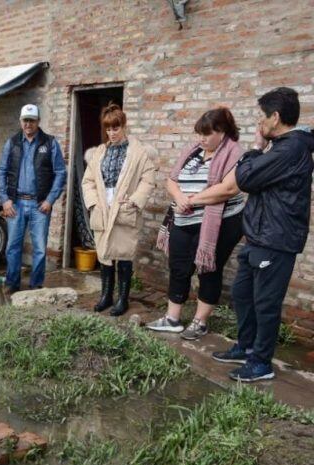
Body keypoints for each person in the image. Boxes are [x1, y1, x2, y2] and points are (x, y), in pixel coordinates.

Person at [212, 87, 314, 382]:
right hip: (259, 236)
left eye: (262, 117)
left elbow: (245, 177)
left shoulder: (289, 149)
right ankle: (246, 347)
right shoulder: (283, 147)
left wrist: (255, 148)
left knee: (266, 304)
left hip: (276, 240)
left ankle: (261, 363)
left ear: (276, 117)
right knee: (243, 295)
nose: (259, 123)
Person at [147, 108, 245, 337]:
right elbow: (171, 180)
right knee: (179, 267)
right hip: (183, 219)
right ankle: (172, 318)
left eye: (207, 134)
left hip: (219, 223)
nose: (201, 138)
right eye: (199, 133)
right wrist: (179, 198)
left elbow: (229, 188)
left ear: (222, 132)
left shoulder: (235, 153)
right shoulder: (193, 151)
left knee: (208, 269)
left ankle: (199, 322)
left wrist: (191, 199)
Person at [82, 103, 157, 316]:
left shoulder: (137, 152)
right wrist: (94, 203)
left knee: (123, 255)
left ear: (123, 126)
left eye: (115, 128)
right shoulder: (99, 152)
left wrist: (134, 200)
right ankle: (106, 296)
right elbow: (88, 181)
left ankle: (123, 298)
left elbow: (148, 179)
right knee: (105, 254)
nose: (111, 133)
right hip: (103, 208)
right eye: (108, 129)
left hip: (124, 208)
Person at [0, 104, 66, 293]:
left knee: (40, 249)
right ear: (21, 121)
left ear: (38, 121)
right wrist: (5, 199)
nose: (28, 124)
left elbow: (60, 172)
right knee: (12, 246)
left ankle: (36, 286)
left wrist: (50, 200)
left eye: (32, 120)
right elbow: (2, 171)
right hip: (15, 203)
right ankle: (12, 283)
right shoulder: (12, 143)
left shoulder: (50, 143)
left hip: (39, 204)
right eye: (25, 120)